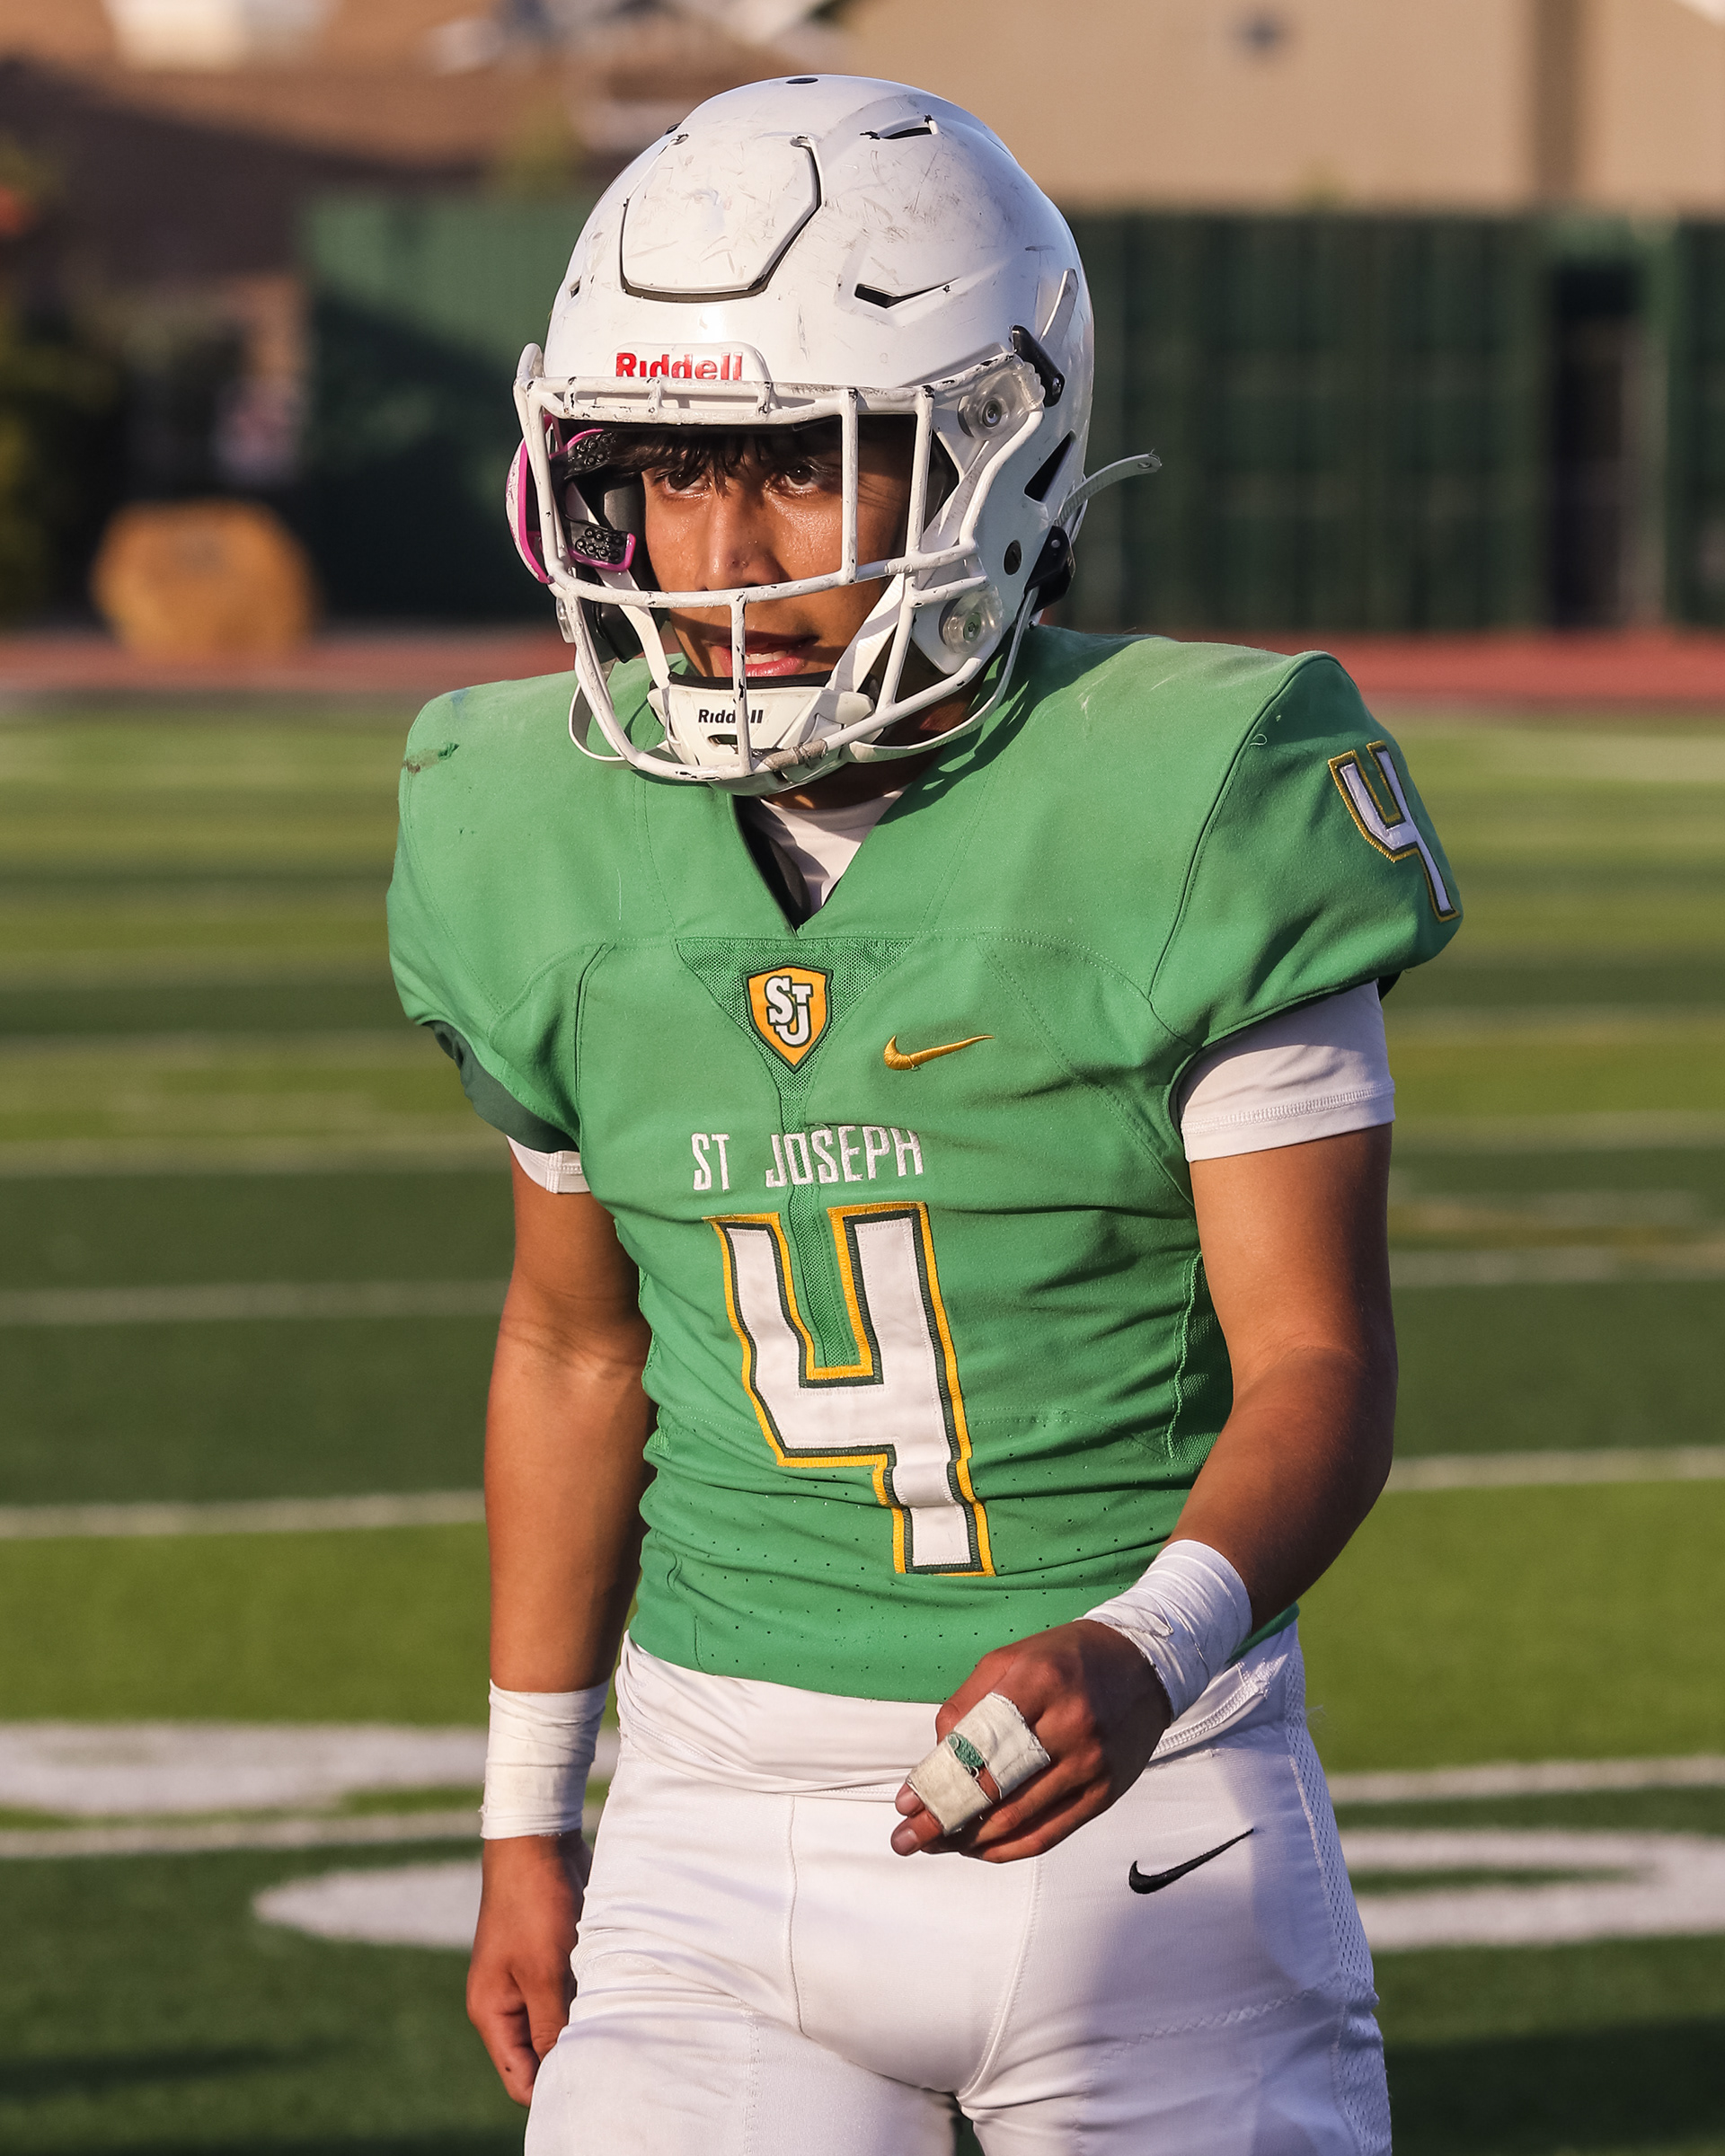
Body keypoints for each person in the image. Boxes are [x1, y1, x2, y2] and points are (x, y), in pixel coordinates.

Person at [387, 72, 1460, 2155]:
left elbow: (1319, 1361)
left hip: (1147, 1820)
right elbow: (574, 1345)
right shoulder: (522, 821)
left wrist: (1145, 1648)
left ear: (996, 448)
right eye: (670, 472)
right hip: (710, 1829)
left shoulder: (1197, 790)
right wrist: (526, 1813)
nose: (717, 555)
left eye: (802, 465)